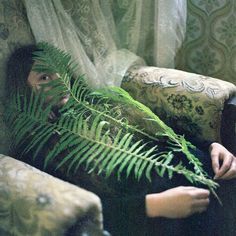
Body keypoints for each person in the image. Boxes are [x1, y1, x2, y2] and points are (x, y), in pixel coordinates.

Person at [6, 45, 236, 236]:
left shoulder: (100, 104)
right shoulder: (35, 151)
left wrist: (212, 146)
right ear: (23, 89)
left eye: (59, 71)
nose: (59, 81)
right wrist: (152, 206)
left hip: (199, 172)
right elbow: (73, 210)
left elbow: (163, 134)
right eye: (44, 76)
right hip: (153, 214)